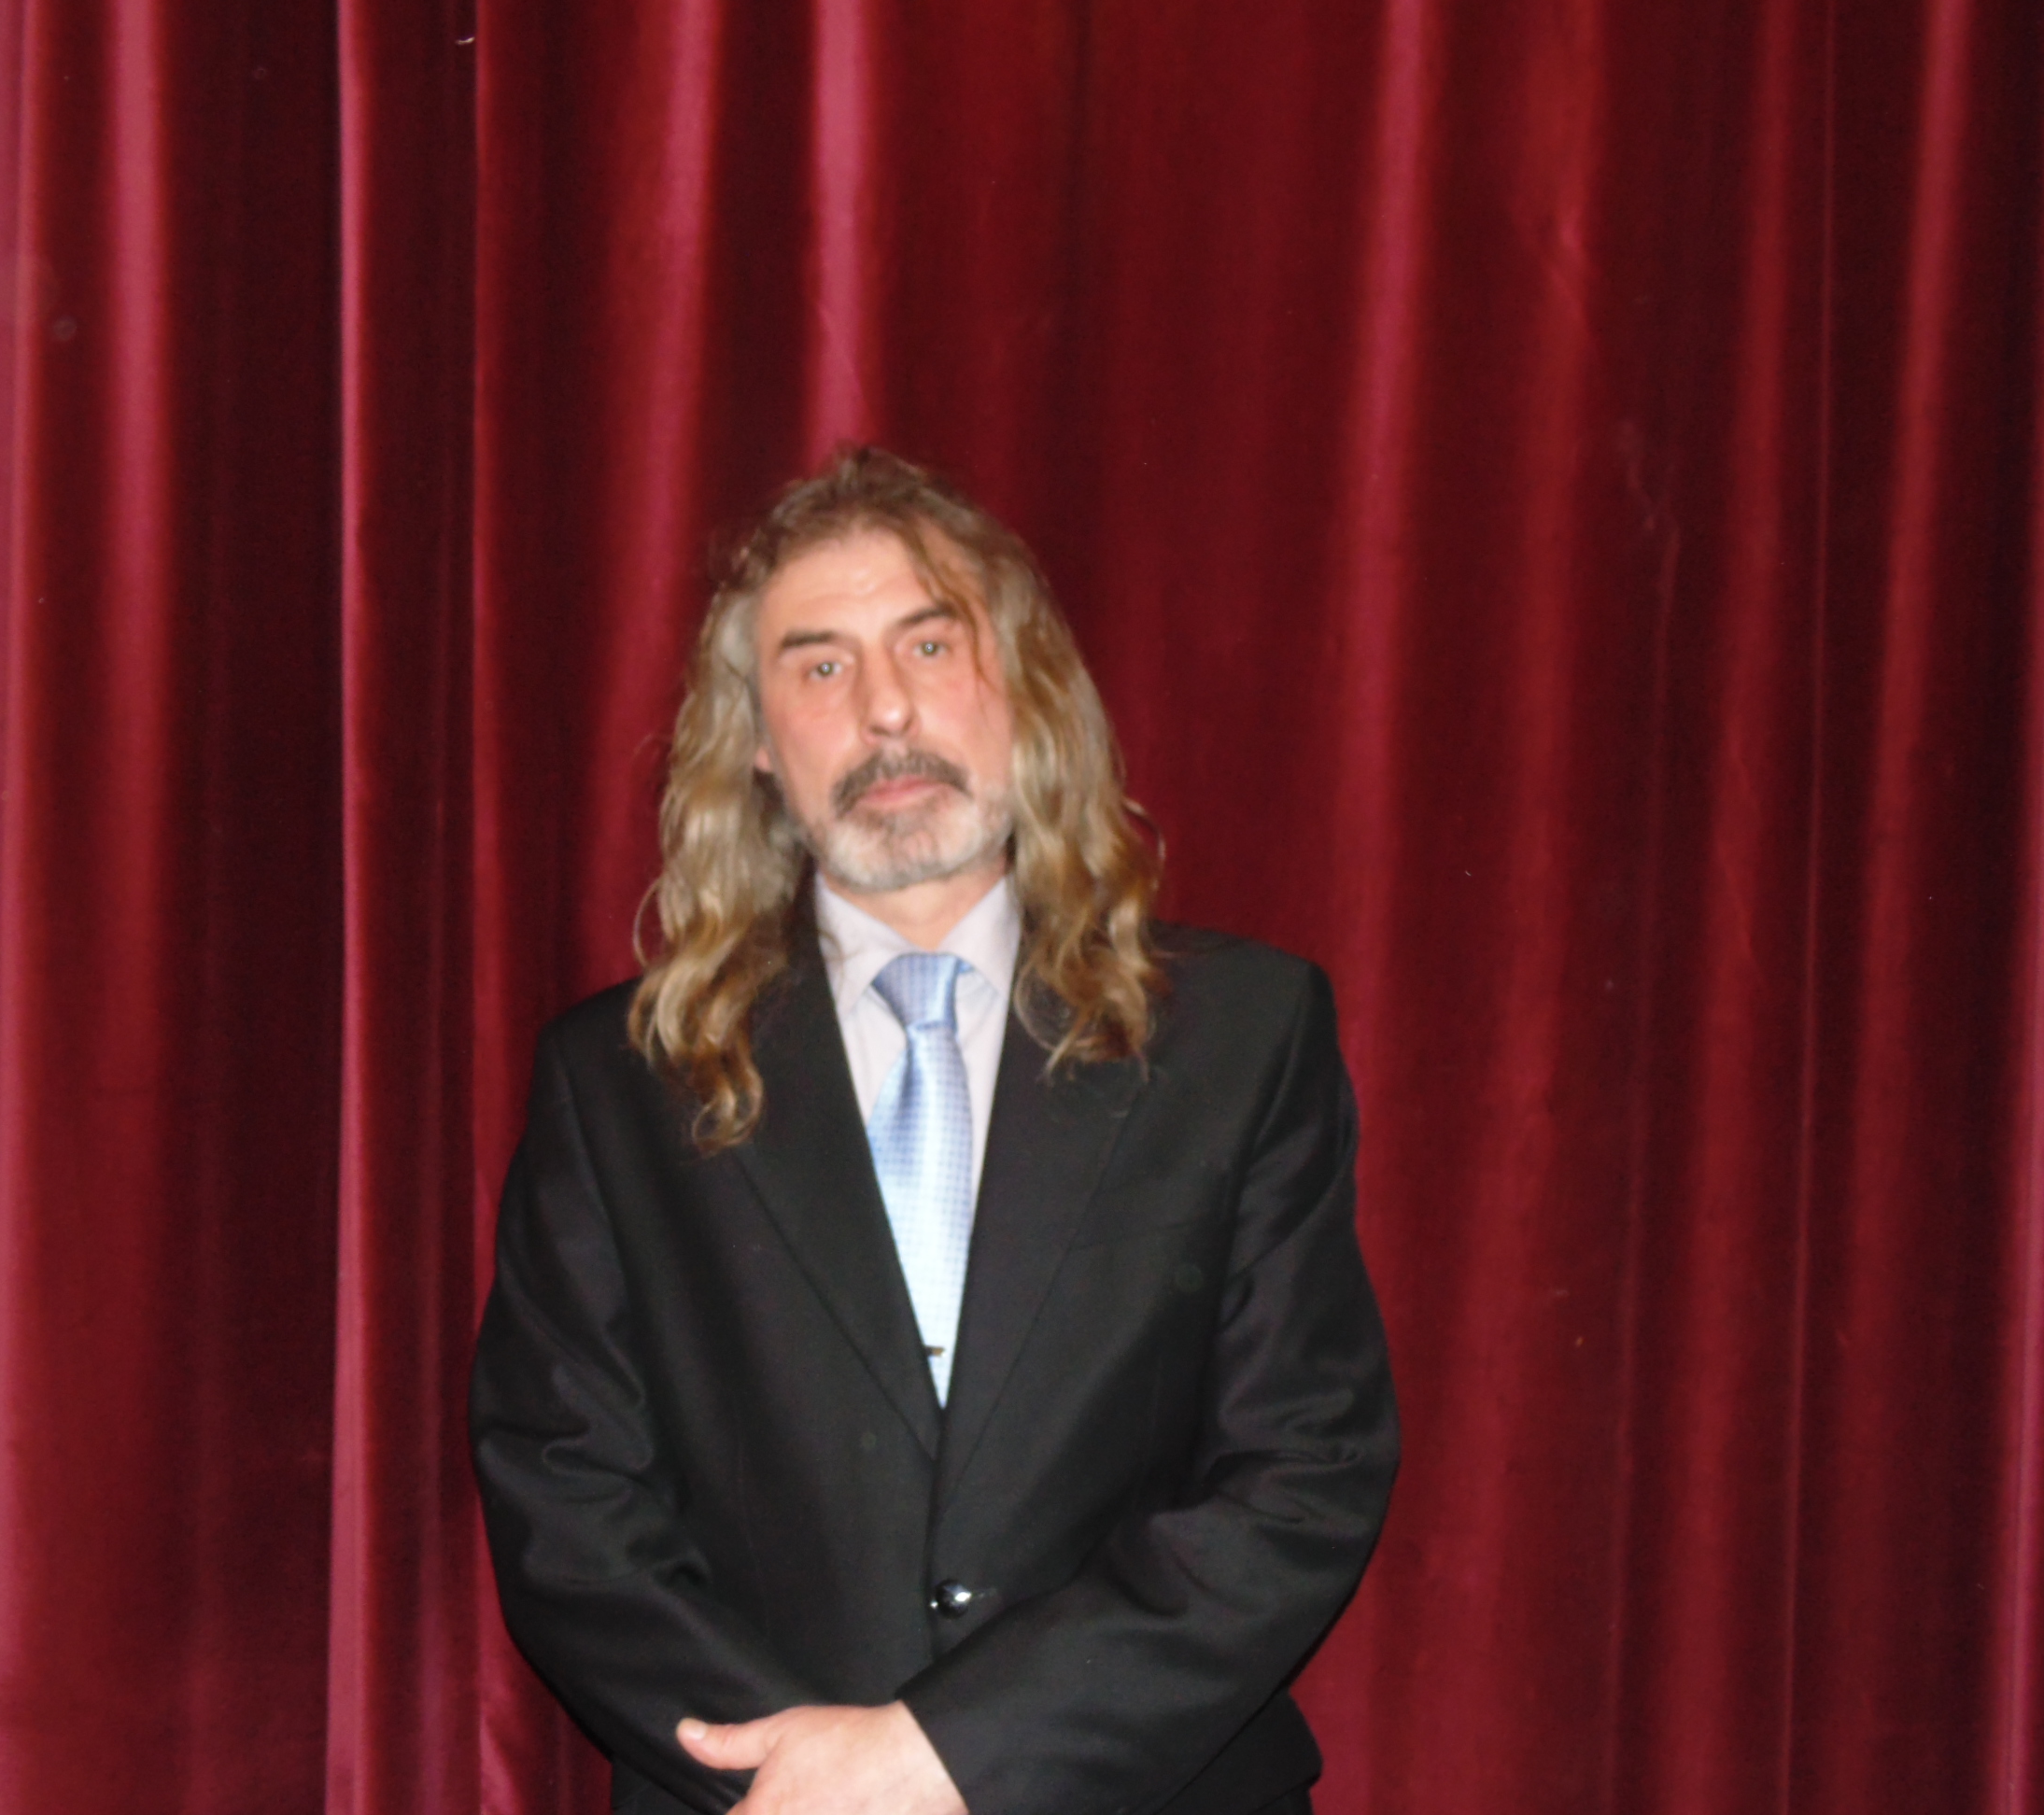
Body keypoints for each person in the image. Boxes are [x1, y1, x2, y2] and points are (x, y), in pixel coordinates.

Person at [471, 448, 1397, 1815]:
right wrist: (809, 1778)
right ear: (758, 745)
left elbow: (1304, 1471)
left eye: (929, 642)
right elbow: (566, 1502)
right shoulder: (615, 1088)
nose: (886, 709)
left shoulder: (1242, 1040)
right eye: (820, 666)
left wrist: (949, 1753)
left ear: (1023, 688)